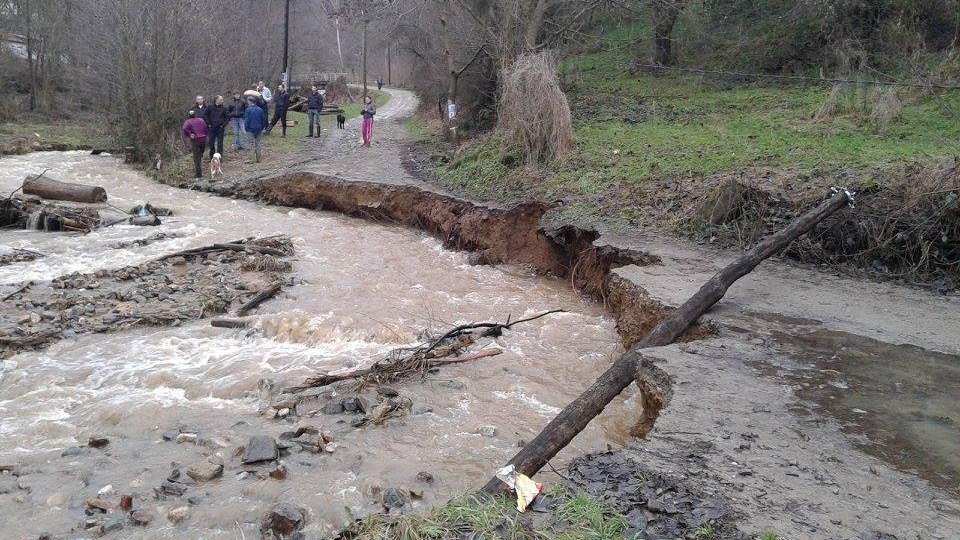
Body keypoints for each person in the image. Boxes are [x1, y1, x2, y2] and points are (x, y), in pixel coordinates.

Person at [181, 110, 208, 178]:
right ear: (195, 115)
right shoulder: (201, 120)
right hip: (203, 139)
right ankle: (200, 157)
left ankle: (198, 175)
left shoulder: (188, 121)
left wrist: (190, 134)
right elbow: (206, 127)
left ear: (188, 115)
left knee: (196, 158)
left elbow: (184, 128)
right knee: (200, 153)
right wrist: (205, 135)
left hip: (195, 140)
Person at [244, 97, 267, 163]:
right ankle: (259, 159)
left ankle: (251, 159)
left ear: (250, 102)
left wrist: (246, 128)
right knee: (258, 144)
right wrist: (262, 128)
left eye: (248, 101)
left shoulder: (248, 110)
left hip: (250, 129)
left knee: (250, 144)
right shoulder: (260, 110)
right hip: (259, 129)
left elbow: (246, 120)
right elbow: (263, 120)